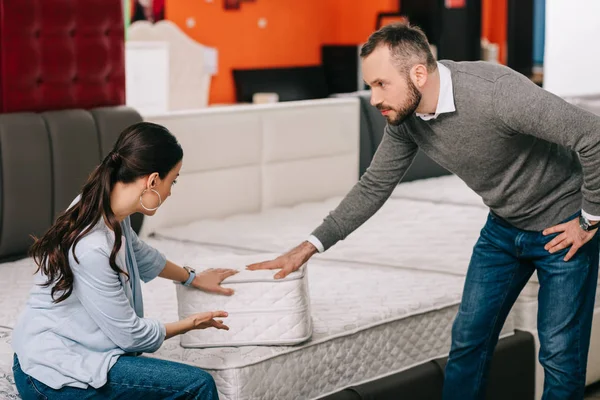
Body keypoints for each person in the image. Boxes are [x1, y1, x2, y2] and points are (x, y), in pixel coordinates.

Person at [247, 22, 600, 400]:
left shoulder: (496, 92)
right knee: (468, 342)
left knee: (561, 356)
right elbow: (374, 186)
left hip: (562, 230)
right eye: (370, 86)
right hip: (503, 228)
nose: (373, 99)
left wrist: (589, 218)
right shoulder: (405, 119)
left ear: (418, 73)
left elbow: (592, 134)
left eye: (381, 84)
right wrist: (309, 247)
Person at [12, 122, 237, 399]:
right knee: (198, 384)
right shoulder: (91, 246)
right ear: (153, 180)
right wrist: (190, 323)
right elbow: (131, 336)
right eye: (173, 180)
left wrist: (192, 277)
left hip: (76, 353)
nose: (170, 192)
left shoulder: (105, 204)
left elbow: (139, 253)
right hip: (53, 373)